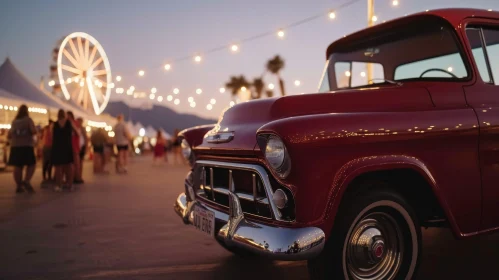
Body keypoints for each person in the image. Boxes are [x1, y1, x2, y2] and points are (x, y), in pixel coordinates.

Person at [7, 104, 37, 193]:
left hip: (15, 146)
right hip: (26, 145)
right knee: (31, 164)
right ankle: (26, 180)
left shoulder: (14, 121)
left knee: (17, 166)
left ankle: (18, 186)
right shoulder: (28, 120)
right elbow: (33, 131)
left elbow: (9, 134)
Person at [52, 109, 79, 192]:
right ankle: (70, 184)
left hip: (57, 147)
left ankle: (58, 185)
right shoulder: (69, 123)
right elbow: (77, 133)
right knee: (69, 166)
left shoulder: (55, 124)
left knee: (58, 168)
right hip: (67, 146)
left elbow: (52, 134)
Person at [67, 111, 83, 184]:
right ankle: (73, 178)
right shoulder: (67, 124)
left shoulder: (73, 123)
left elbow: (78, 133)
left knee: (75, 163)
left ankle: (76, 177)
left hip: (74, 146)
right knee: (71, 163)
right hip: (70, 146)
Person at [41, 120, 54, 186]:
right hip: (49, 147)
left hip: (46, 147)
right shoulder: (49, 130)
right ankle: (47, 177)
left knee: (47, 162)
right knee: (48, 162)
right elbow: (52, 138)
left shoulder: (46, 129)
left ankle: (46, 177)